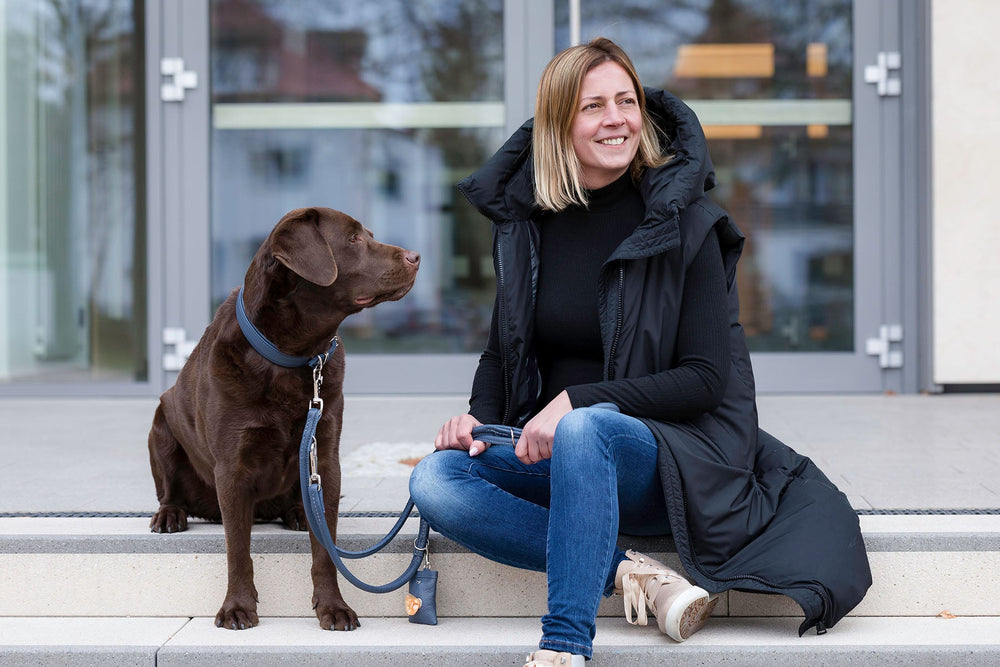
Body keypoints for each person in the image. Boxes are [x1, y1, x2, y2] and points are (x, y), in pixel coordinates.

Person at [409, 37, 871, 666]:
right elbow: (502, 350)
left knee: (587, 428)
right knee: (436, 479)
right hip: (561, 458)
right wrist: (476, 420)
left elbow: (704, 380)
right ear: (559, 123)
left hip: (670, 462)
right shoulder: (529, 226)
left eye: (626, 101)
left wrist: (578, 401)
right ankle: (635, 574)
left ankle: (564, 645)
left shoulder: (686, 222)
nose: (616, 119)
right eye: (593, 106)